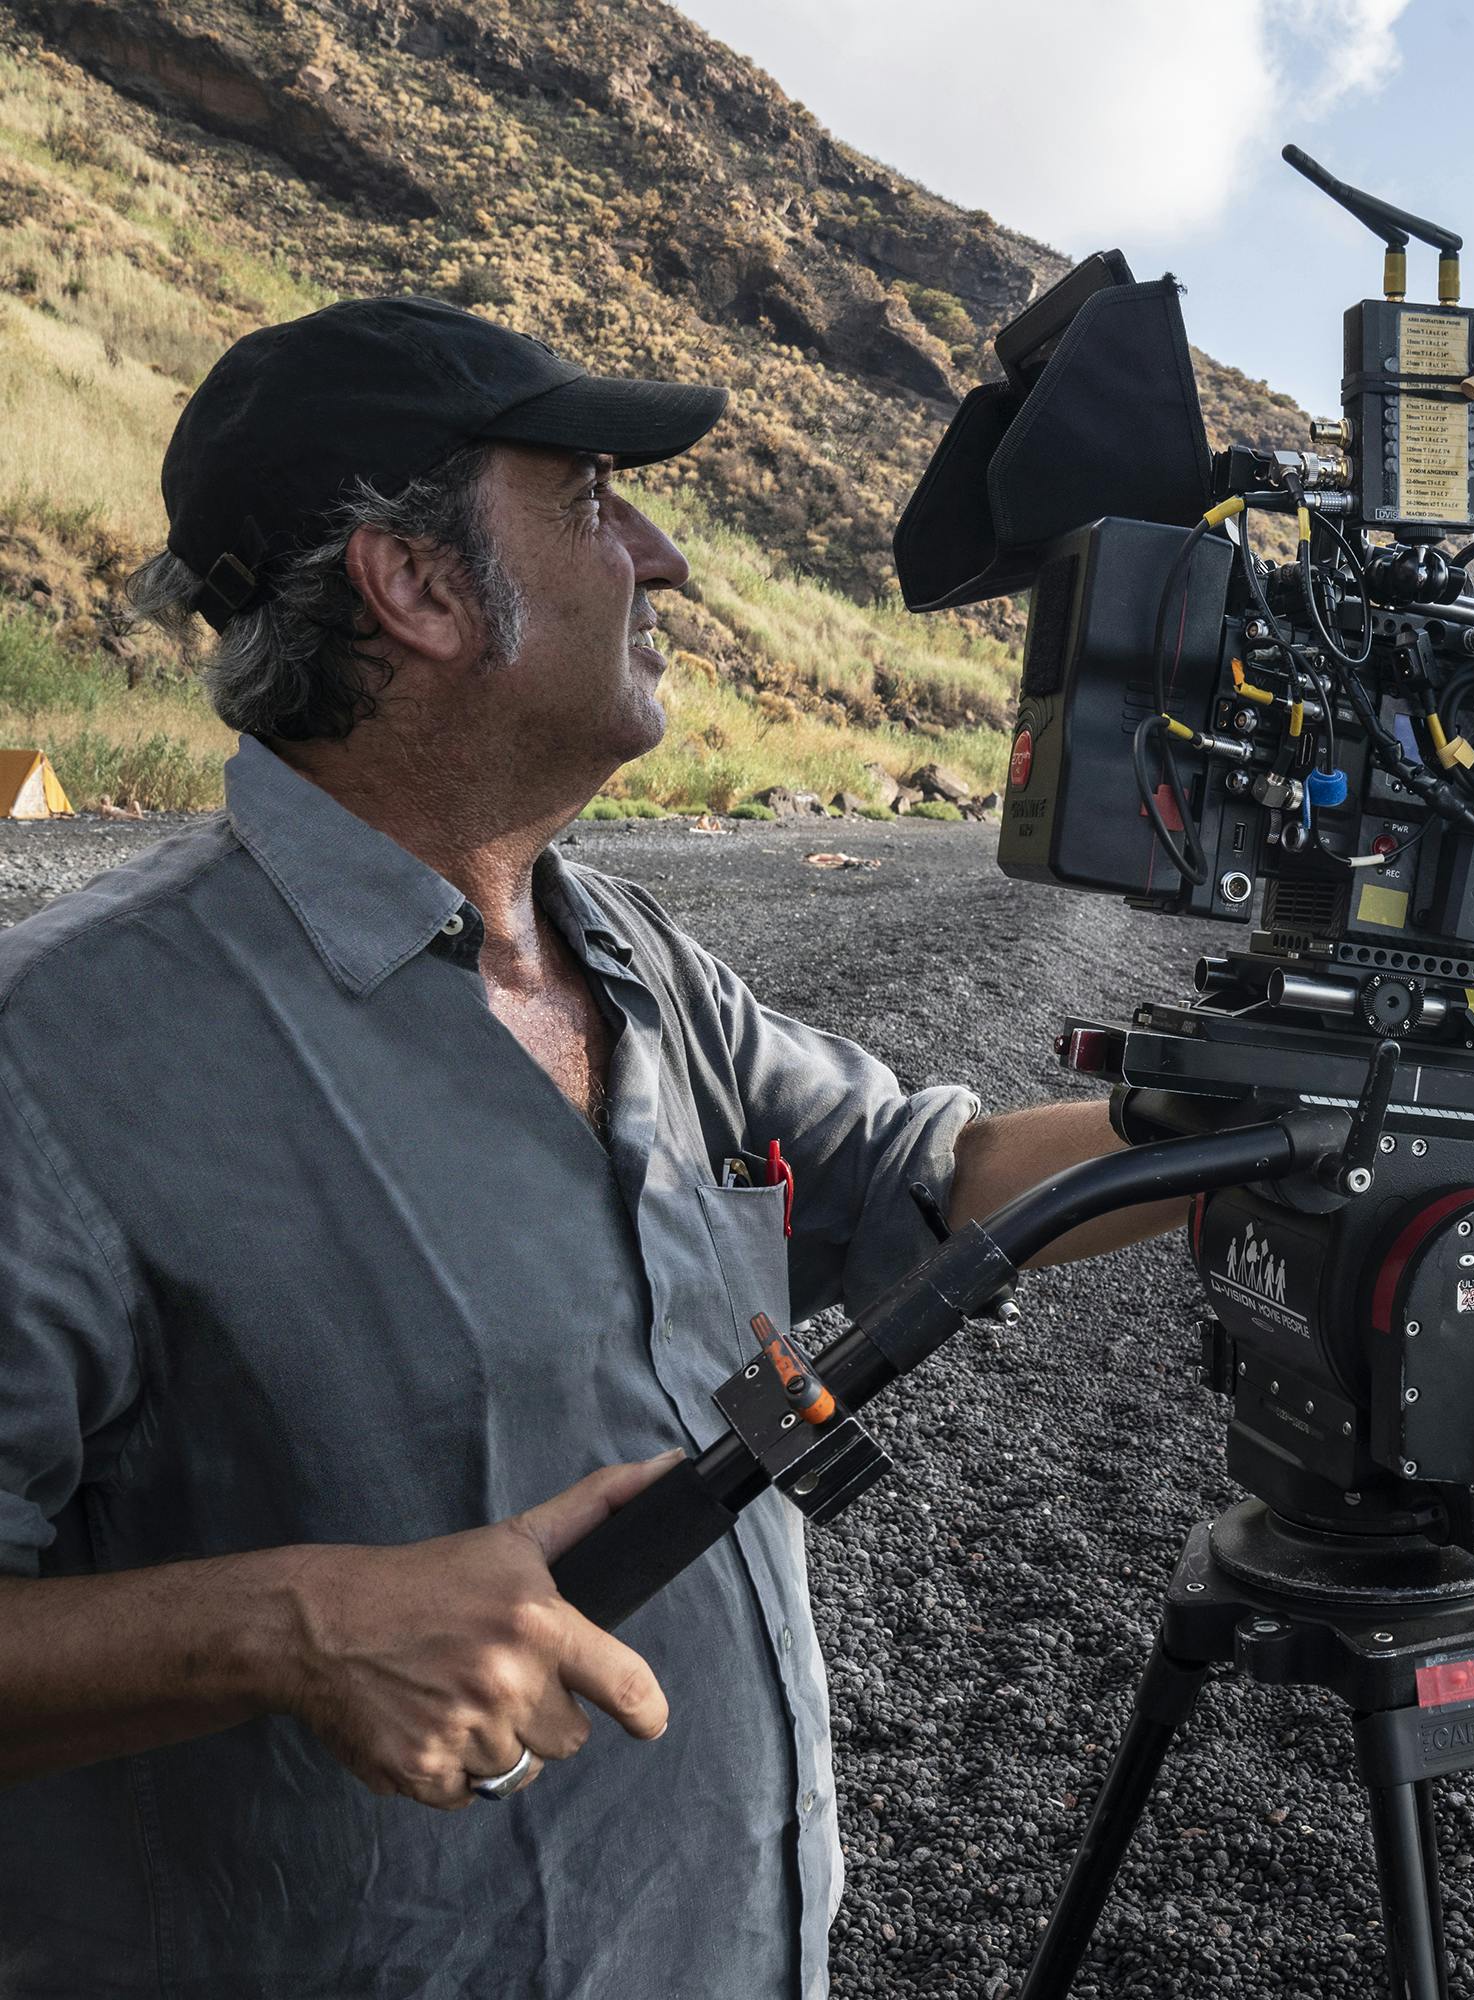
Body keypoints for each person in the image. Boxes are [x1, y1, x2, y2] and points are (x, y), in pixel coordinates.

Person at [0, 297, 1204, 1999]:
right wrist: (294, 1626)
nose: (660, 557)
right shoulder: (54, 1051)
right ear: (411, 588)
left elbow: (941, 1177)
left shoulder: (632, 956)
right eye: (587, 500)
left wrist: (1287, 1120)